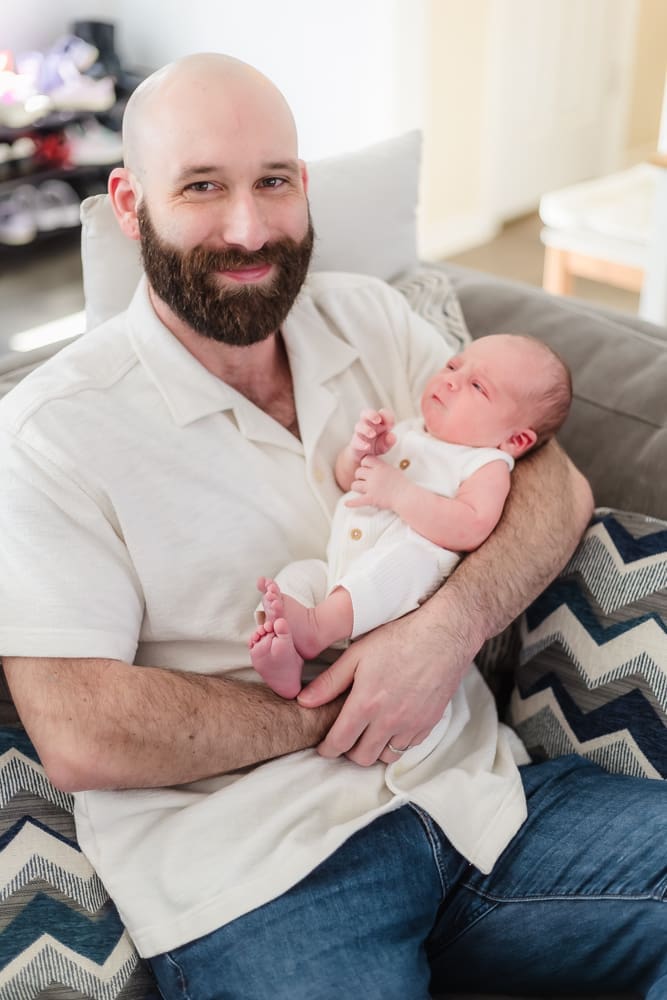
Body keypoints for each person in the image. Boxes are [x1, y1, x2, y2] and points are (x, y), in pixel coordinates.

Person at [0, 53, 663, 1000]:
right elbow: (81, 731)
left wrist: (444, 633)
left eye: (273, 181)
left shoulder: (371, 319)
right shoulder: (49, 433)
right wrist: (336, 710)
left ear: (304, 185)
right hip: (266, 877)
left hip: (484, 804)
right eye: (201, 187)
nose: (248, 226)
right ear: (127, 202)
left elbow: (549, 485)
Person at [250, 333, 572, 702]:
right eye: (453, 365)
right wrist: (360, 453)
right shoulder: (408, 430)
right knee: (295, 578)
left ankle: (317, 627)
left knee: (407, 562)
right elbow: (348, 481)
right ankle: (286, 658)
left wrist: (400, 493)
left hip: (397, 596)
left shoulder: (486, 464)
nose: (451, 379)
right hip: (338, 570)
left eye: (478, 386)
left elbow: (472, 525)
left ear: (515, 440)